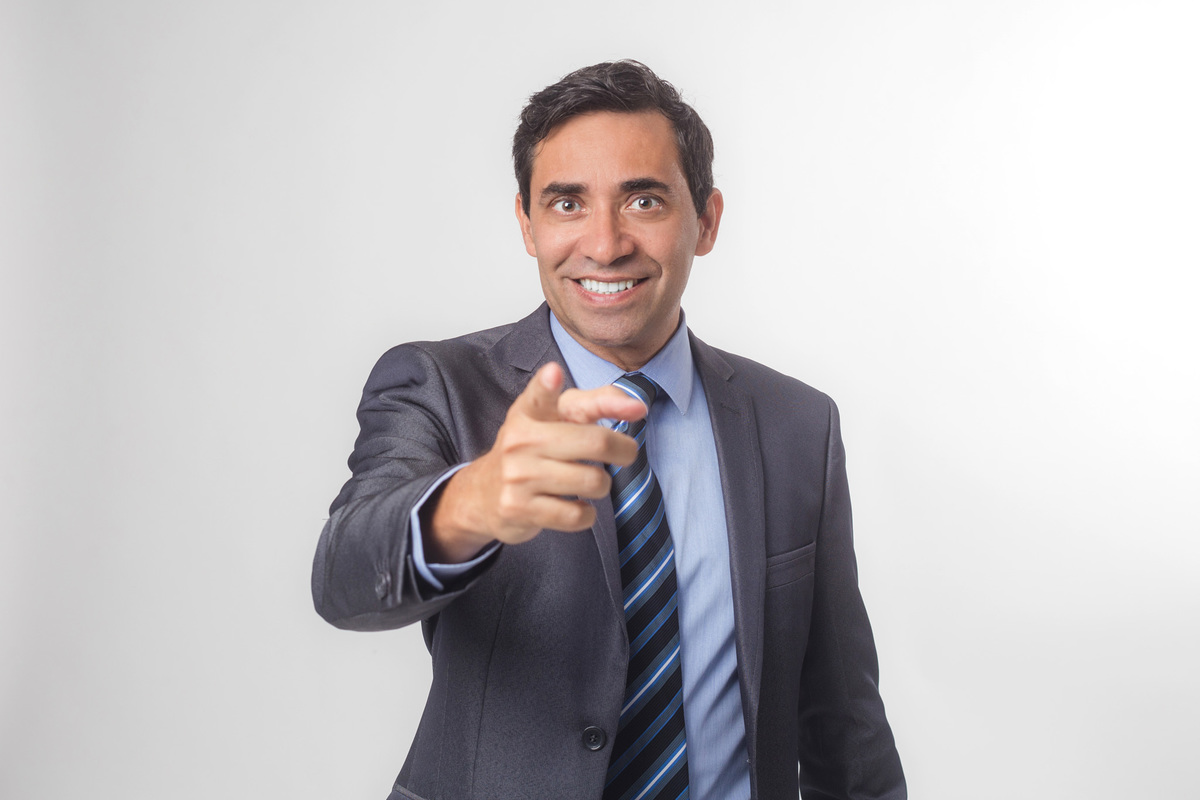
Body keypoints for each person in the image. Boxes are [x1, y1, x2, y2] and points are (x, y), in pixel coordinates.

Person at [313, 60, 905, 800]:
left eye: (644, 201)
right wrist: (471, 502)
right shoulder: (439, 385)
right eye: (567, 204)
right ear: (526, 224)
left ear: (707, 221)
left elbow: (843, 719)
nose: (605, 243)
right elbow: (343, 579)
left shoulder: (797, 424)